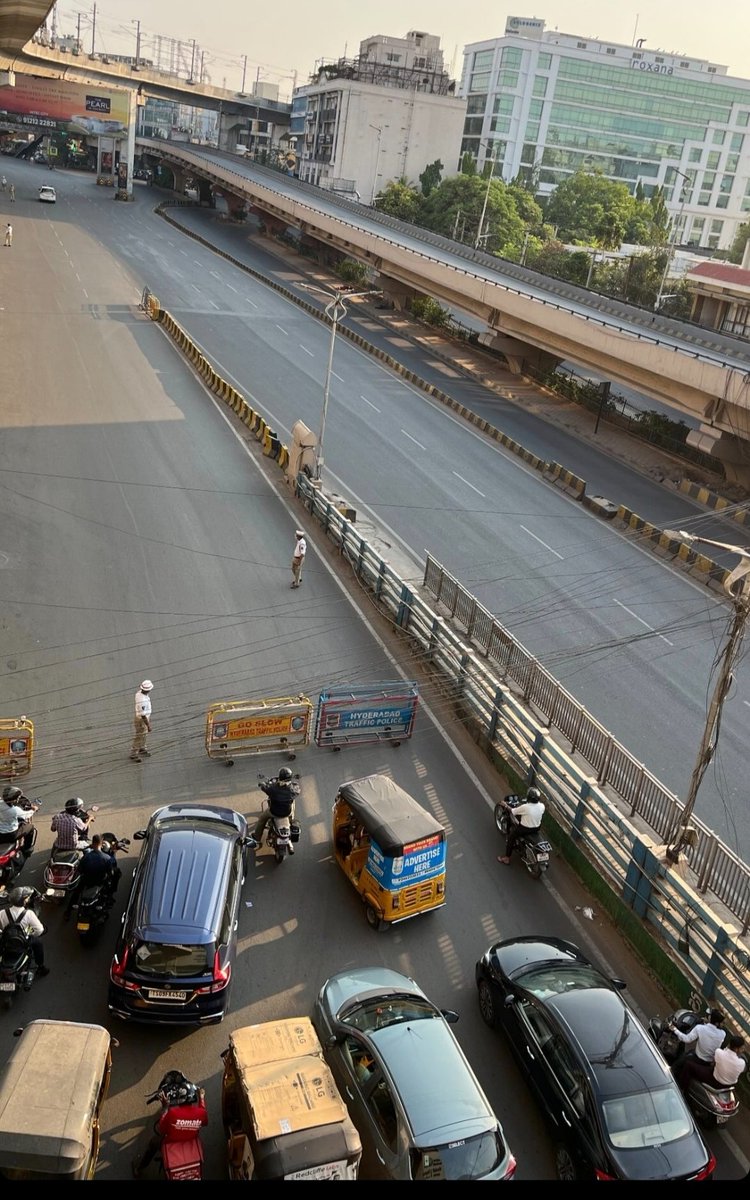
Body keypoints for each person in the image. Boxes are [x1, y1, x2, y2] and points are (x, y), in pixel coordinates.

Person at [132, 1072, 208, 1178]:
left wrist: (165, 1108)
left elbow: (161, 1128)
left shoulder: (173, 1114)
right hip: (191, 1140)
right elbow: (204, 1120)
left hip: (171, 1141)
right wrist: (202, 1098)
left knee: (153, 1143)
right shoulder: (201, 1113)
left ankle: (139, 1168)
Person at [64, 833, 121, 919]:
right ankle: (109, 899)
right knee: (114, 877)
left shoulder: (86, 857)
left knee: (76, 893)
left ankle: (68, 912)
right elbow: (110, 873)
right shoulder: (107, 858)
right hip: (99, 882)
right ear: (101, 843)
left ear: (93, 843)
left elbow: (79, 871)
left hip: (86, 881)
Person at [0, 886, 49, 976]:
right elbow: (40, 930)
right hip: (24, 942)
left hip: (7, 941)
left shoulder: (2, 913)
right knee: (38, 943)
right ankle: (41, 967)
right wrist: (29, 934)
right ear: (24, 901)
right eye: (27, 897)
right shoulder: (29, 914)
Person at [671, 1009, 727, 1087]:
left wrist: (674, 1029)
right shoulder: (723, 1034)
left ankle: (672, 1082)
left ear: (710, 1018)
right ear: (717, 1023)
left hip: (697, 1058)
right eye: (723, 1022)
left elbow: (686, 1039)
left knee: (676, 1065)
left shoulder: (700, 1028)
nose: (723, 1024)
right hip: (709, 1063)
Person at [253, 768, 299, 852]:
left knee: (262, 820)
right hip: (287, 813)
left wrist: (262, 784)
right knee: (292, 802)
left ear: (280, 777)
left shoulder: (273, 789)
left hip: (273, 812)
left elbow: (265, 788)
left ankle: (256, 838)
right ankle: (291, 819)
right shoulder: (293, 789)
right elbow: (297, 790)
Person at [497, 786, 545, 864]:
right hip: (536, 828)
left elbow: (513, 811)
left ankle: (506, 858)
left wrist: (505, 805)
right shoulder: (542, 806)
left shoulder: (525, 807)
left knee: (511, 837)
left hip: (524, 829)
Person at [0, 785, 38, 855]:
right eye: (18, 798)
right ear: (14, 799)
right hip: (11, 834)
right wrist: (34, 809)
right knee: (30, 827)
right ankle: (27, 848)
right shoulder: (15, 810)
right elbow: (26, 815)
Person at [131, 679, 154, 761]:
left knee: (144, 734)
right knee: (140, 736)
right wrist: (148, 725)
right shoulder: (142, 700)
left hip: (143, 718)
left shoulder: (138, 694)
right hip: (141, 720)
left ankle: (142, 747)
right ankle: (134, 753)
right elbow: (143, 715)